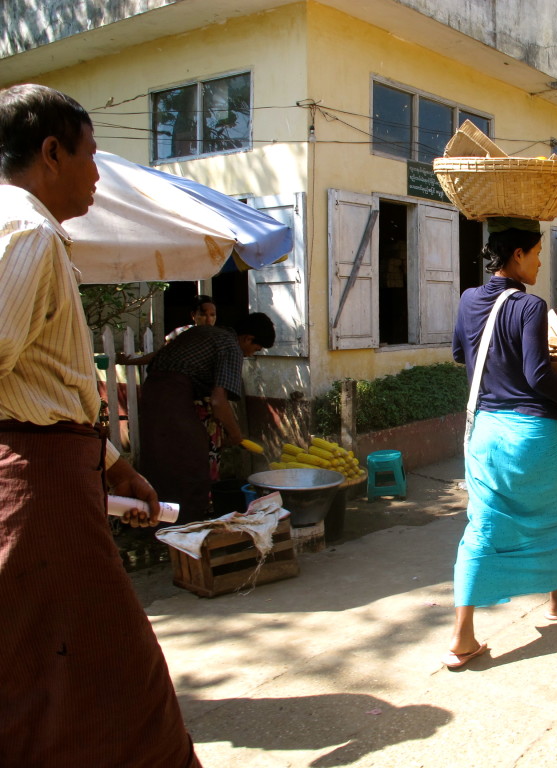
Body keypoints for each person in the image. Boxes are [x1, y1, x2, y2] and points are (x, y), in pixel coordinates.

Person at [0, 84, 202, 767]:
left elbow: (43, 385)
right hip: (36, 494)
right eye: (91, 155)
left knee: (50, 679)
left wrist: (114, 466)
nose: (96, 173)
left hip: (53, 474)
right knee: (115, 681)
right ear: (51, 153)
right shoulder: (25, 231)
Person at [445, 218, 557, 670]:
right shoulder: (530, 307)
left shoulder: (467, 299)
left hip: (485, 432)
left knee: (482, 527)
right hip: (530, 434)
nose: (537, 263)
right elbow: (538, 377)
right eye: (536, 254)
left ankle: (462, 636)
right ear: (518, 255)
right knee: (549, 520)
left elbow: (461, 354)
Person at [140, 312, 275, 524]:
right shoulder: (231, 347)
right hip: (173, 397)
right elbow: (218, 401)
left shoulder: (202, 332)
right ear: (247, 338)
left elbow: (158, 358)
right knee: (193, 466)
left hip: (150, 394)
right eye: (255, 349)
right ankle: (187, 528)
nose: (250, 354)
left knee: (162, 464)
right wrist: (236, 434)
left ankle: (156, 524)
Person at [117, 293, 217, 366]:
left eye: (212, 315)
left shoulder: (221, 338)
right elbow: (159, 355)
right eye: (203, 315)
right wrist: (129, 362)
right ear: (193, 315)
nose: (208, 319)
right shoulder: (181, 333)